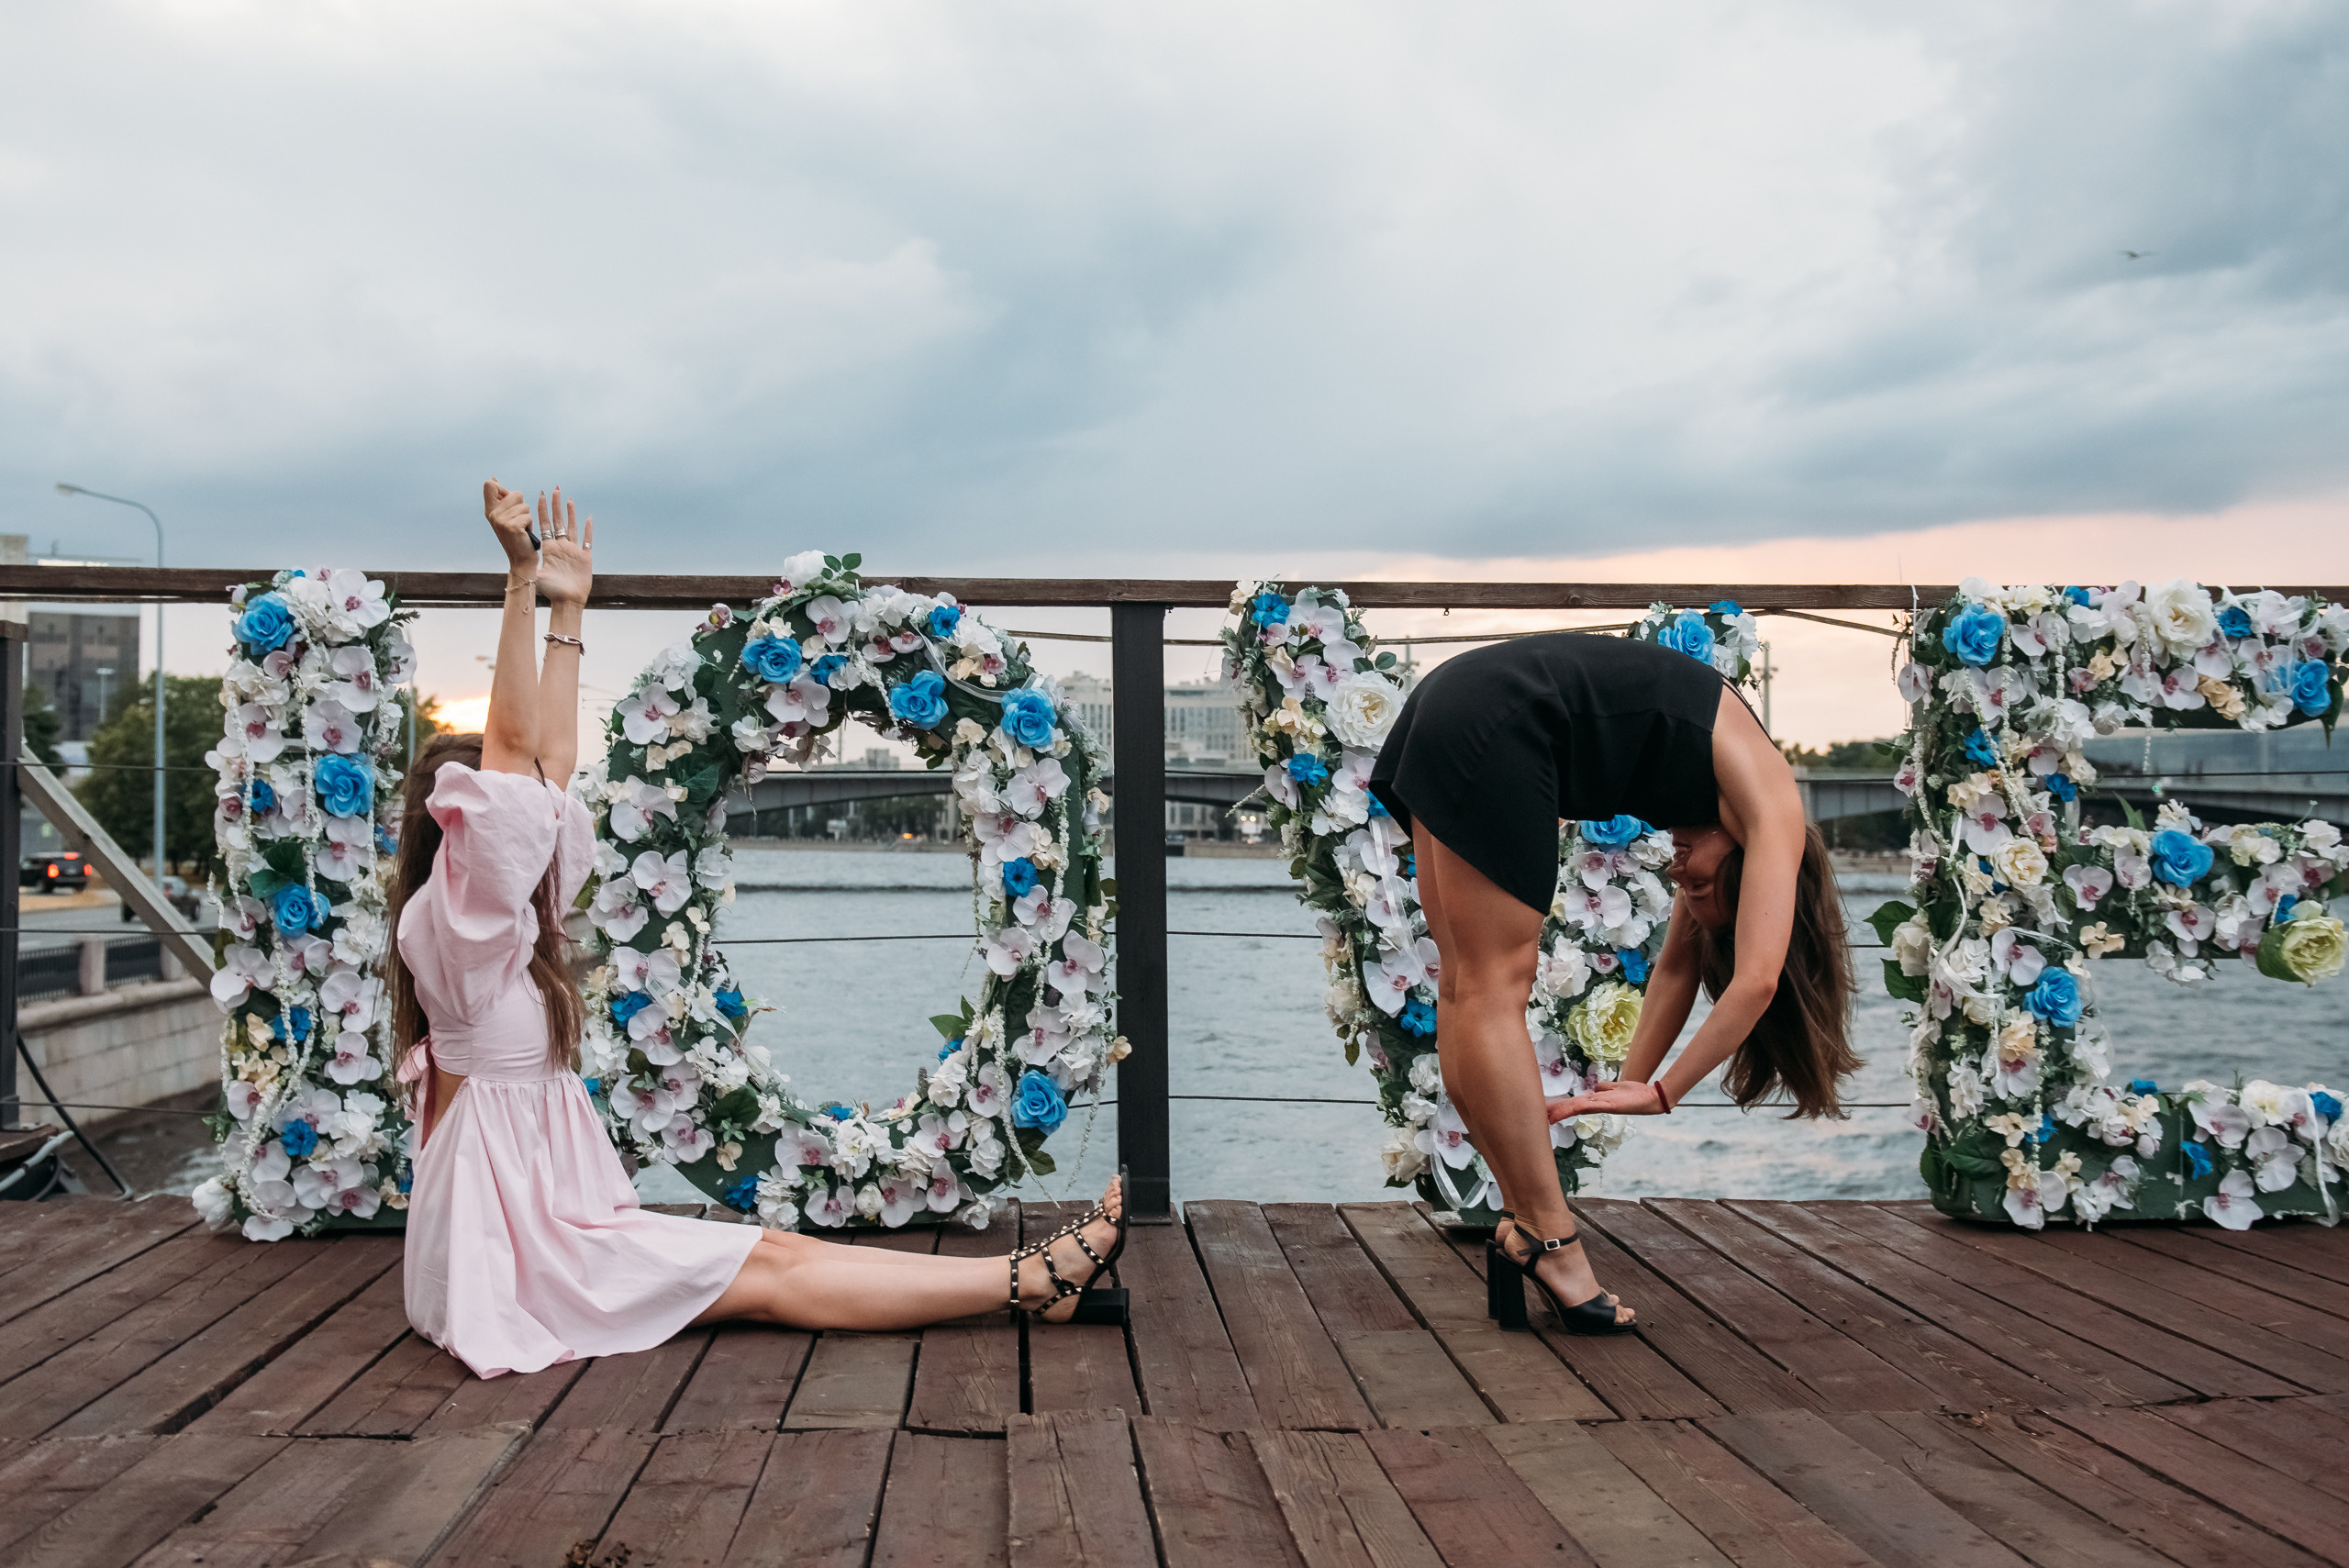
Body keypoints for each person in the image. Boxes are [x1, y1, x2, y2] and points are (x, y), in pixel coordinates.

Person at [388, 479, 1126, 1379]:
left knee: (776, 1253)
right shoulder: (454, 934)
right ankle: (1028, 1279)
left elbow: (545, 764)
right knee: (773, 1268)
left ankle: (1024, 1280)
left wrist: (569, 611)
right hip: (512, 1258)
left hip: (539, 1224)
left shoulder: (498, 925)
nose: (535, 812)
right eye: (505, 810)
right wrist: (517, 581)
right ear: (462, 834)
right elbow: (513, 762)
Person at [1369, 632, 1857, 1335]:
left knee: (1467, 986)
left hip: (1453, 702)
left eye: (1690, 889)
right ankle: (1554, 1244)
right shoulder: (1774, 803)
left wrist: (1629, 1081)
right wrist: (1662, 1096)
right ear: (1753, 877)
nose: (1678, 877)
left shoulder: (1725, 815)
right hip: (1499, 714)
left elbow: (1679, 968)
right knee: (1494, 984)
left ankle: (1524, 1224)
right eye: (1701, 886)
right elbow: (1755, 979)